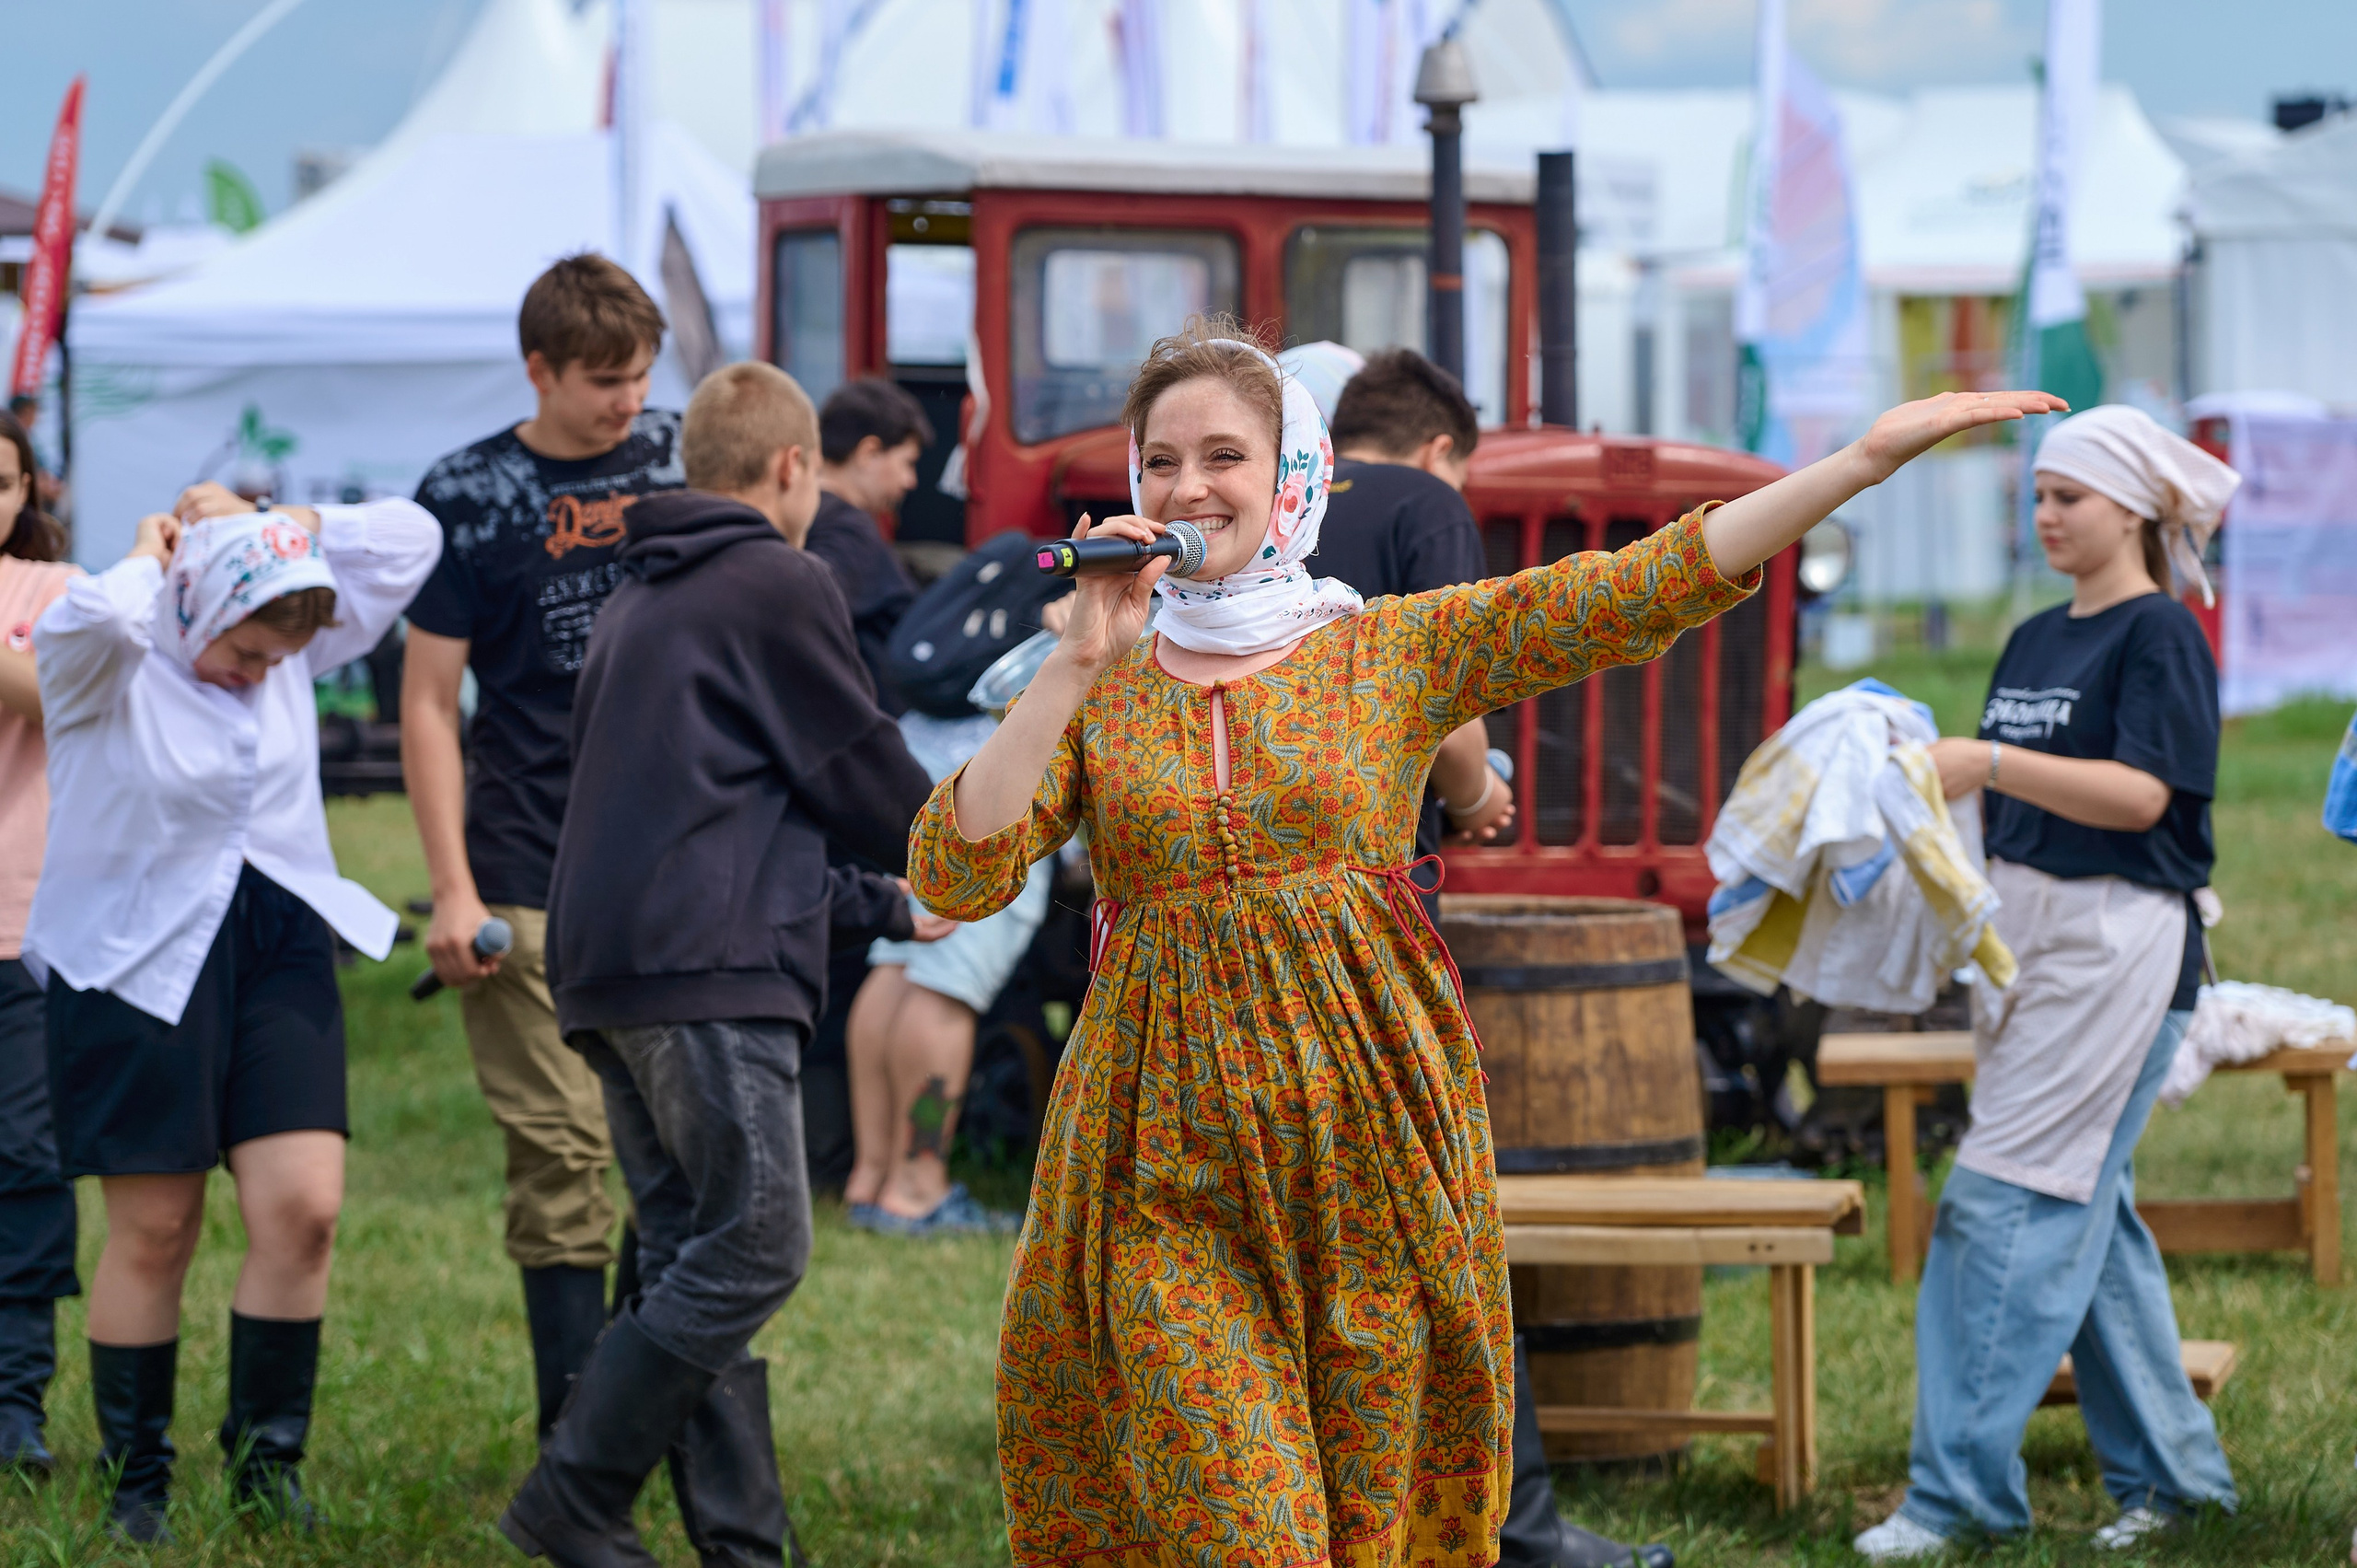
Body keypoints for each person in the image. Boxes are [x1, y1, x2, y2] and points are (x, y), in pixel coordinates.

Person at [911, 312, 2060, 1565]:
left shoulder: (1384, 649)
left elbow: (1631, 589)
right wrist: (1075, 657)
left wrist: (1853, 464)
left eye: (1222, 455)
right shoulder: (1097, 677)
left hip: (1370, 1148)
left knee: (1371, 1521)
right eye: (1160, 461)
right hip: (1161, 1163)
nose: (1187, 486)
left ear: (1291, 474)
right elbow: (955, 869)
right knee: (1248, 1532)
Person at [505, 362, 936, 1566]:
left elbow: (729, 818)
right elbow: (859, 767)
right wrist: (968, 842)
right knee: (756, 1246)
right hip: (707, 976)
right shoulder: (775, 578)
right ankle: (575, 1491)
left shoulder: (636, 598)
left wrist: (888, 912)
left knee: (696, 1254)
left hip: (615, 967)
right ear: (794, 466)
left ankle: (746, 1545)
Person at [1854, 404, 2242, 1560]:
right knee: (2088, 1215)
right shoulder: (2032, 636)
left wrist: (1987, 759)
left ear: (2127, 505)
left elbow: (2143, 798)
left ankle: (1954, 1498)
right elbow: (2005, 806)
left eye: (2066, 495)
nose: (2046, 515)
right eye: (2037, 497)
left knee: (1999, 1203)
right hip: (2030, 943)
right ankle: (2178, 1482)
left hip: (2123, 944)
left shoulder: (2158, 634)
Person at [26, 482, 439, 1539]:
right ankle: (138, 1484)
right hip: (135, 951)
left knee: (304, 1207)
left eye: (273, 662)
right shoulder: (107, 662)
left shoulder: (287, 629)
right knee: (157, 1225)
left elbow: (411, 539)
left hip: (278, 937)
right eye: (242, 653)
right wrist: (150, 550)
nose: (259, 675)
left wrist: (278, 520)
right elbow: (90, 617)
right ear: (193, 605)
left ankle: (266, 1466)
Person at [1318, 349, 1666, 1568]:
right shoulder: (1423, 506)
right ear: (1433, 451)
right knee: (1442, 1218)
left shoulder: (1274, 508)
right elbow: (1455, 710)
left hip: (1242, 933)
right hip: (1377, 913)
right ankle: (1518, 1527)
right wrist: (1480, 792)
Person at [401, 253, 682, 1443]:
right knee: (563, 1150)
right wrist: (453, 887)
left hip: (662, 862)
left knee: (670, 1149)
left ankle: (648, 1421)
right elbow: (427, 699)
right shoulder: (466, 492)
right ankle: (571, 1445)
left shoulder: (674, 460)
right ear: (539, 369)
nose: (629, 403)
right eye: (604, 381)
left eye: (641, 378)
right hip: (522, 861)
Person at [0, 412, 77, 1476]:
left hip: (23, 927)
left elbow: (60, 694)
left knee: (23, 1165)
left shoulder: (53, 599)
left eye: (2, 480)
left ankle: (14, 1402)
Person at [805, 377, 929, 709]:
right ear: (869, 452)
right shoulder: (848, 529)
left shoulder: (806, 514)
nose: (910, 481)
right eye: (907, 463)